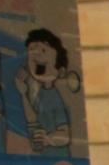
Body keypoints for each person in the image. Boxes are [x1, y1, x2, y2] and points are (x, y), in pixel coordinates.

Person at [17, 27, 80, 155]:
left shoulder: (54, 97)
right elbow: (32, 119)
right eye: (32, 50)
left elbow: (65, 135)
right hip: (44, 158)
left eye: (43, 50)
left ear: (60, 71)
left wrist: (47, 139)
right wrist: (22, 92)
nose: (36, 54)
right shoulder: (41, 94)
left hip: (58, 160)